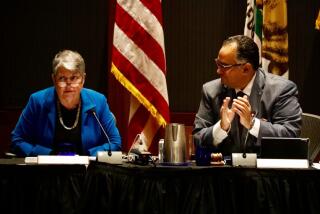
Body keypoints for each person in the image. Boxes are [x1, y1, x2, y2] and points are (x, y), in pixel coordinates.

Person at [193, 35, 302, 157]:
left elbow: (291, 136)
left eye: (223, 66)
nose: (218, 71)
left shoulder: (281, 90)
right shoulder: (211, 91)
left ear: (246, 68)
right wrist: (221, 128)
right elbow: (198, 138)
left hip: (267, 174)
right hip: (223, 173)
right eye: (218, 63)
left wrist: (253, 124)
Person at [11, 50, 121, 157]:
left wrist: (88, 156)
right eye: (62, 78)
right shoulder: (37, 101)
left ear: (83, 79)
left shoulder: (98, 101)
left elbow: (115, 142)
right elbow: (17, 140)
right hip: (45, 171)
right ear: (54, 80)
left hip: (87, 172)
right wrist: (48, 155)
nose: (69, 84)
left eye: (74, 78)